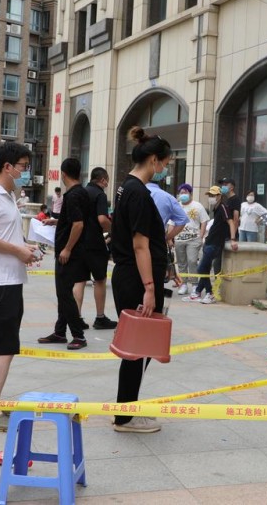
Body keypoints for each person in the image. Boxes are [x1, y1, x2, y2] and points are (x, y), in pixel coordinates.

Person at [110, 126, 174, 433]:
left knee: (139, 348)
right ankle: (124, 416)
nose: (165, 169)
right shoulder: (137, 192)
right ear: (153, 160)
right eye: (165, 163)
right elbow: (140, 244)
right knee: (136, 349)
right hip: (136, 279)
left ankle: (127, 409)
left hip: (131, 275)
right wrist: (150, 288)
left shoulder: (128, 188)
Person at [0, 142, 40, 431]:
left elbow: (1, 234)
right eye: (23, 166)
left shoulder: (6, 195)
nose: (25, 172)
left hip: (6, 278)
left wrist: (25, 247)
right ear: (7, 167)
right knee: (5, 347)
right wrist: (17, 251)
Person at [38, 158, 91, 349]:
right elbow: (73, 220)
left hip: (70, 254)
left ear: (64, 174)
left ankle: (78, 335)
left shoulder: (73, 195)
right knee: (64, 293)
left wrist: (67, 248)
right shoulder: (81, 193)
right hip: (77, 252)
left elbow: (78, 224)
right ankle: (60, 332)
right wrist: (56, 222)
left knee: (64, 293)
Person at [72, 166, 117, 330]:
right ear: (103, 180)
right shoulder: (100, 195)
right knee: (99, 280)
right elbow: (102, 220)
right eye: (107, 181)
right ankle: (100, 317)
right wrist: (113, 229)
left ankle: (76, 317)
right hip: (95, 243)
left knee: (80, 280)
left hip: (79, 242)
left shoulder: (81, 192)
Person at [184, 185, 237, 304]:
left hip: (215, 244)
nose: (211, 198)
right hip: (210, 242)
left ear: (219, 196)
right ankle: (197, 292)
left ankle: (210, 293)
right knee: (205, 269)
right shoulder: (216, 208)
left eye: (213, 195)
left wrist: (233, 239)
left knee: (202, 268)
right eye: (210, 195)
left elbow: (231, 222)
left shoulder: (223, 207)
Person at [174, 184, 209, 297]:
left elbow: (204, 221)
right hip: (179, 238)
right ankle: (183, 284)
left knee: (192, 260)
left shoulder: (197, 206)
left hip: (194, 239)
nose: (183, 195)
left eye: (185, 192)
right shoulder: (176, 206)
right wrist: (170, 238)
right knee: (181, 262)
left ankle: (194, 284)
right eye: (181, 192)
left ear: (190, 193)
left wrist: (201, 236)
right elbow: (171, 222)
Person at [146, 172, 188, 245]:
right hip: (156, 240)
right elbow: (183, 220)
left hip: (132, 240)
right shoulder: (168, 197)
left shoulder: (133, 192)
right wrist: (167, 238)